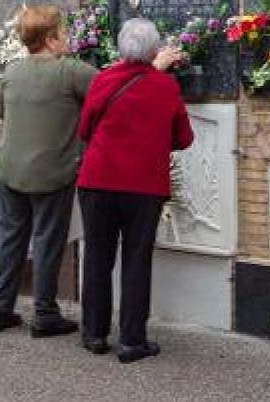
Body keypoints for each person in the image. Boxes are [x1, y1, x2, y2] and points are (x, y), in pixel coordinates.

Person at [76, 18, 192, 363]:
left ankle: (95, 334)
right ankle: (131, 340)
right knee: (136, 260)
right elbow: (184, 138)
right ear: (156, 51)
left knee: (97, 257)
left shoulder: (103, 80)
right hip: (143, 185)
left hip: (98, 181)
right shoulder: (166, 87)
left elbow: (85, 130)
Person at [0, 6, 98, 337]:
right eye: (63, 33)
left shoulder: (12, 71)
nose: (67, 39)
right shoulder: (72, 72)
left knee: (10, 239)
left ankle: (0, 309)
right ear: (50, 40)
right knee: (48, 241)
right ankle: (44, 314)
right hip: (52, 172)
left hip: (10, 168)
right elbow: (111, 92)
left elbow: (2, 119)